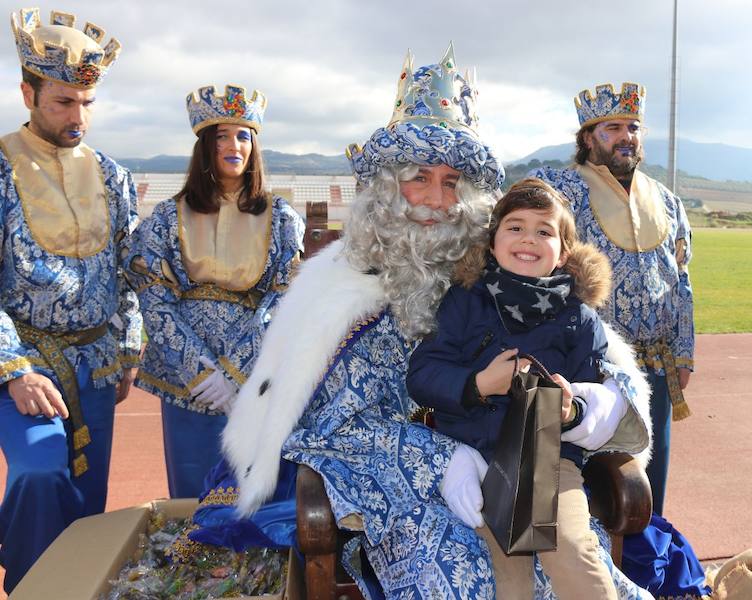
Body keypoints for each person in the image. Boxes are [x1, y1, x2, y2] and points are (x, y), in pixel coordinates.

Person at [186, 46, 653, 599]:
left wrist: (592, 405)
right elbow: (332, 429)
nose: (436, 200)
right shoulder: (341, 289)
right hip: (402, 493)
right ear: (386, 187)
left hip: (532, 476)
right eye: (419, 179)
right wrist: (441, 459)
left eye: (453, 182)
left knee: (569, 572)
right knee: (467, 582)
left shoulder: (508, 282)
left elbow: (603, 373)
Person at [406, 178, 651, 598]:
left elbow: (590, 393)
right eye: (515, 227)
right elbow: (423, 374)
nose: (528, 239)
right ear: (493, 240)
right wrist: (479, 383)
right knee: (509, 578)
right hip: (479, 458)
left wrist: (572, 411)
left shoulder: (579, 319)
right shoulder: (466, 301)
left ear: (564, 251)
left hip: (548, 462)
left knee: (573, 551)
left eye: (544, 231)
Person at [0, 9, 141, 593]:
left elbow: (131, 270)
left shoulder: (112, 174)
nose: (77, 117)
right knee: (38, 472)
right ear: (28, 92)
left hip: (98, 364)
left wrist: (130, 344)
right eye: (62, 103)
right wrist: (13, 371)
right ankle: (33, 587)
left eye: (86, 103)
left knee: (89, 503)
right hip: (27, 365)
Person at [126, 85, 303, 499]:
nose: (233, 145)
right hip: (186, 381)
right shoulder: (167, 217)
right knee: (192, 495)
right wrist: (201, 370)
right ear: (204, 146)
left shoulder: (281, 220)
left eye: (243, 136)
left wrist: (235, 372)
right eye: (221, 136)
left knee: (253, 490)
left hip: (255, 376)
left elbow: (282, 302)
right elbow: (155, 301)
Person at [533, 82, 694, 515]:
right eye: (613, 127)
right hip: (587, 359)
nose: (627, 136)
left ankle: (646, 561)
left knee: (645, 473)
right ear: (588, 138)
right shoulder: (560, 190)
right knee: (587, 477)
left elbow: (681, 280)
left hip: (657, 363)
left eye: (634, 127)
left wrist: (684, 355)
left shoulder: (667, 200)